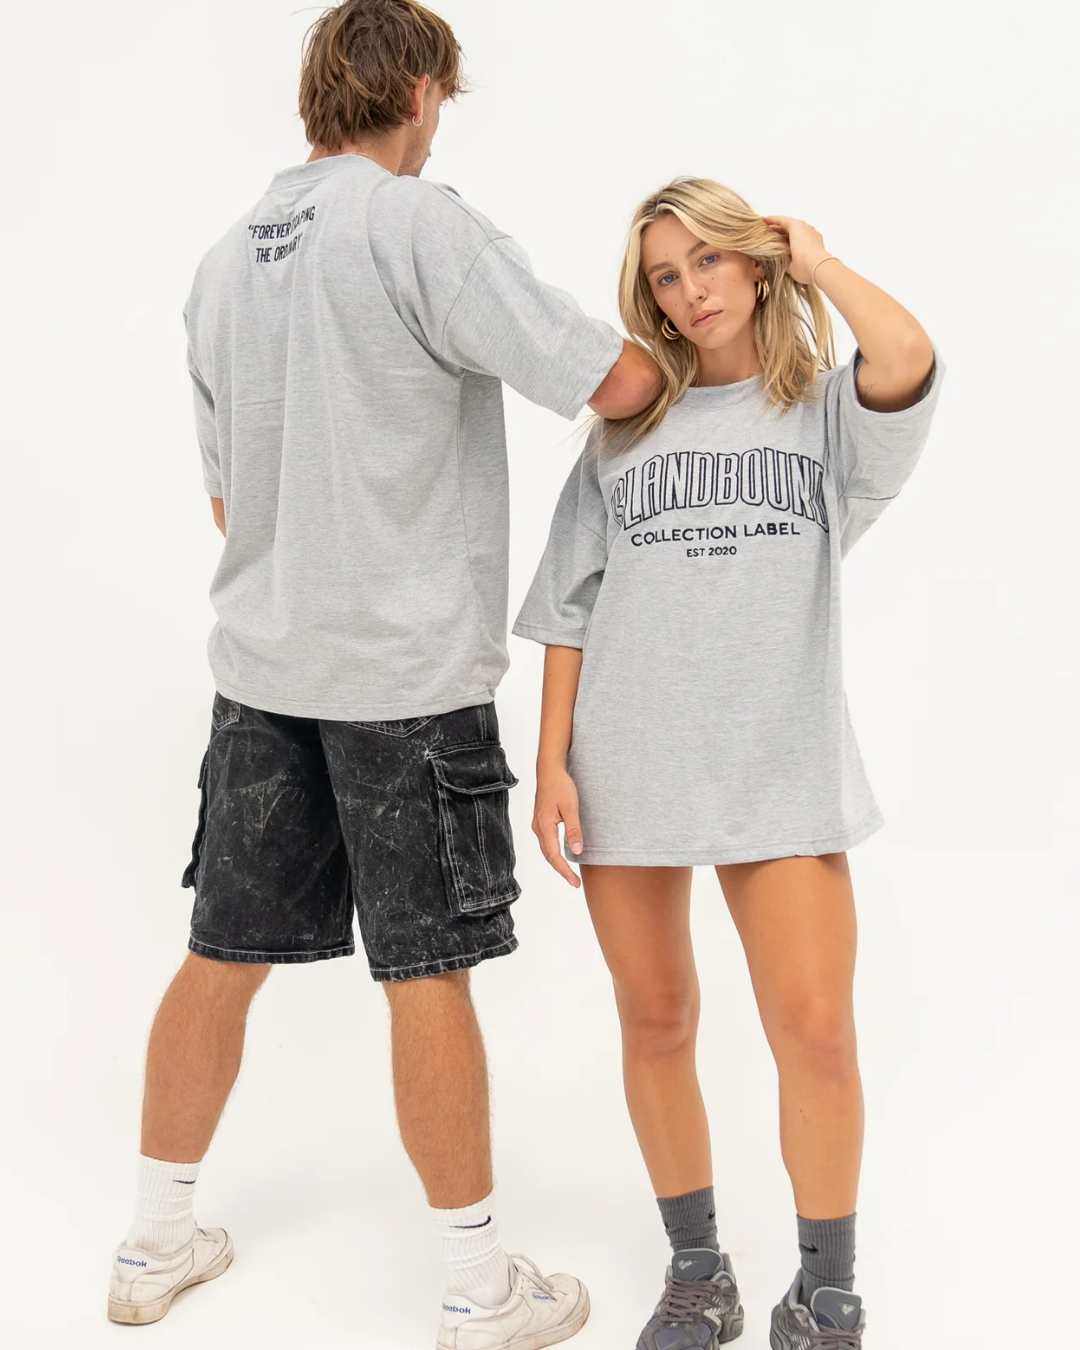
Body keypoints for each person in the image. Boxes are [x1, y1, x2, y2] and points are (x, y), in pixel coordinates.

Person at [105, 3, 659, 1345]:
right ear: (417, 92)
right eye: (441, 101)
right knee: (427, 974)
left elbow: (230, 506)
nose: (437, 124)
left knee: (218, 956)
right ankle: (479, 1289)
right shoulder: (419, 226)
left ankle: (153, 1244)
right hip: (404, 682)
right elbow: (612, 380)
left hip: (265, 672)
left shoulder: (223, 263)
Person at [513, 176, 941, 1349]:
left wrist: (821, 260)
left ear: (756, 265)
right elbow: (566, 610)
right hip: (628, 765)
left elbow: (908, 354)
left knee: (817, 1031)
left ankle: (826, 1294)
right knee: (656, 1020)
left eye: (708, 259)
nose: (689, 289)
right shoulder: (622, 433)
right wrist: (551, 766)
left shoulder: (827, 418)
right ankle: (699, 1275)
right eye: (665, 274)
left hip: (778, 766)